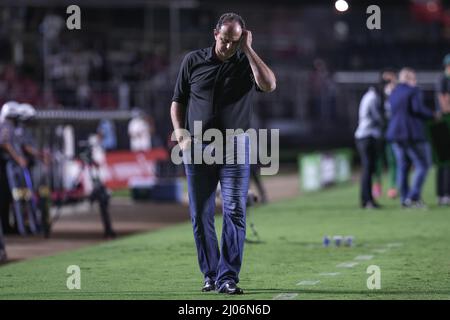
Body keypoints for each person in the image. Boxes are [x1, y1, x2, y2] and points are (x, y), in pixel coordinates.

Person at [170, 13, 276, 294]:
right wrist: (180, 134)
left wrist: (249, 50)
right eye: (225, 39)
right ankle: (210, 274)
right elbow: (178, 100)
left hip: (235, 146)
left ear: (242, 38)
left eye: (235, 41)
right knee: (201, 214)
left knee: (235, 211)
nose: (229, 46)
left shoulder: (245, 62)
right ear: (215, 33)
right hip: (198, 147)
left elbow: (268, 84)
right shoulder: (193, 60)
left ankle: (227, 277)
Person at [386, 68, 441, 208]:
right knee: (423, 165)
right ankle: (413, 197)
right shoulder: (413, 90)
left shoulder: (394, 92)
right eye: (414, 78)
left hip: (395, 134)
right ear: (410, 78)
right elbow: (417, 109)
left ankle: (405, 200)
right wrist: (433, 115)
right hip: (410, 134)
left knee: (403, 166)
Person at [354, 77, 385, 209]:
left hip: (365, 136)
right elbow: (375, 116)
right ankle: (367, 200)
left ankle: (368, 199)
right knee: (367, 168)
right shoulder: (372, 97)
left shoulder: (369, 96)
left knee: (369, 168)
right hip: (366, 136)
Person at [435, 54, 450, 206]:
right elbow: (443, 100)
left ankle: (443, 194)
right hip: (444, 122)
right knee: (444, 161)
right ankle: (444, 194)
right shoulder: (443, 79)